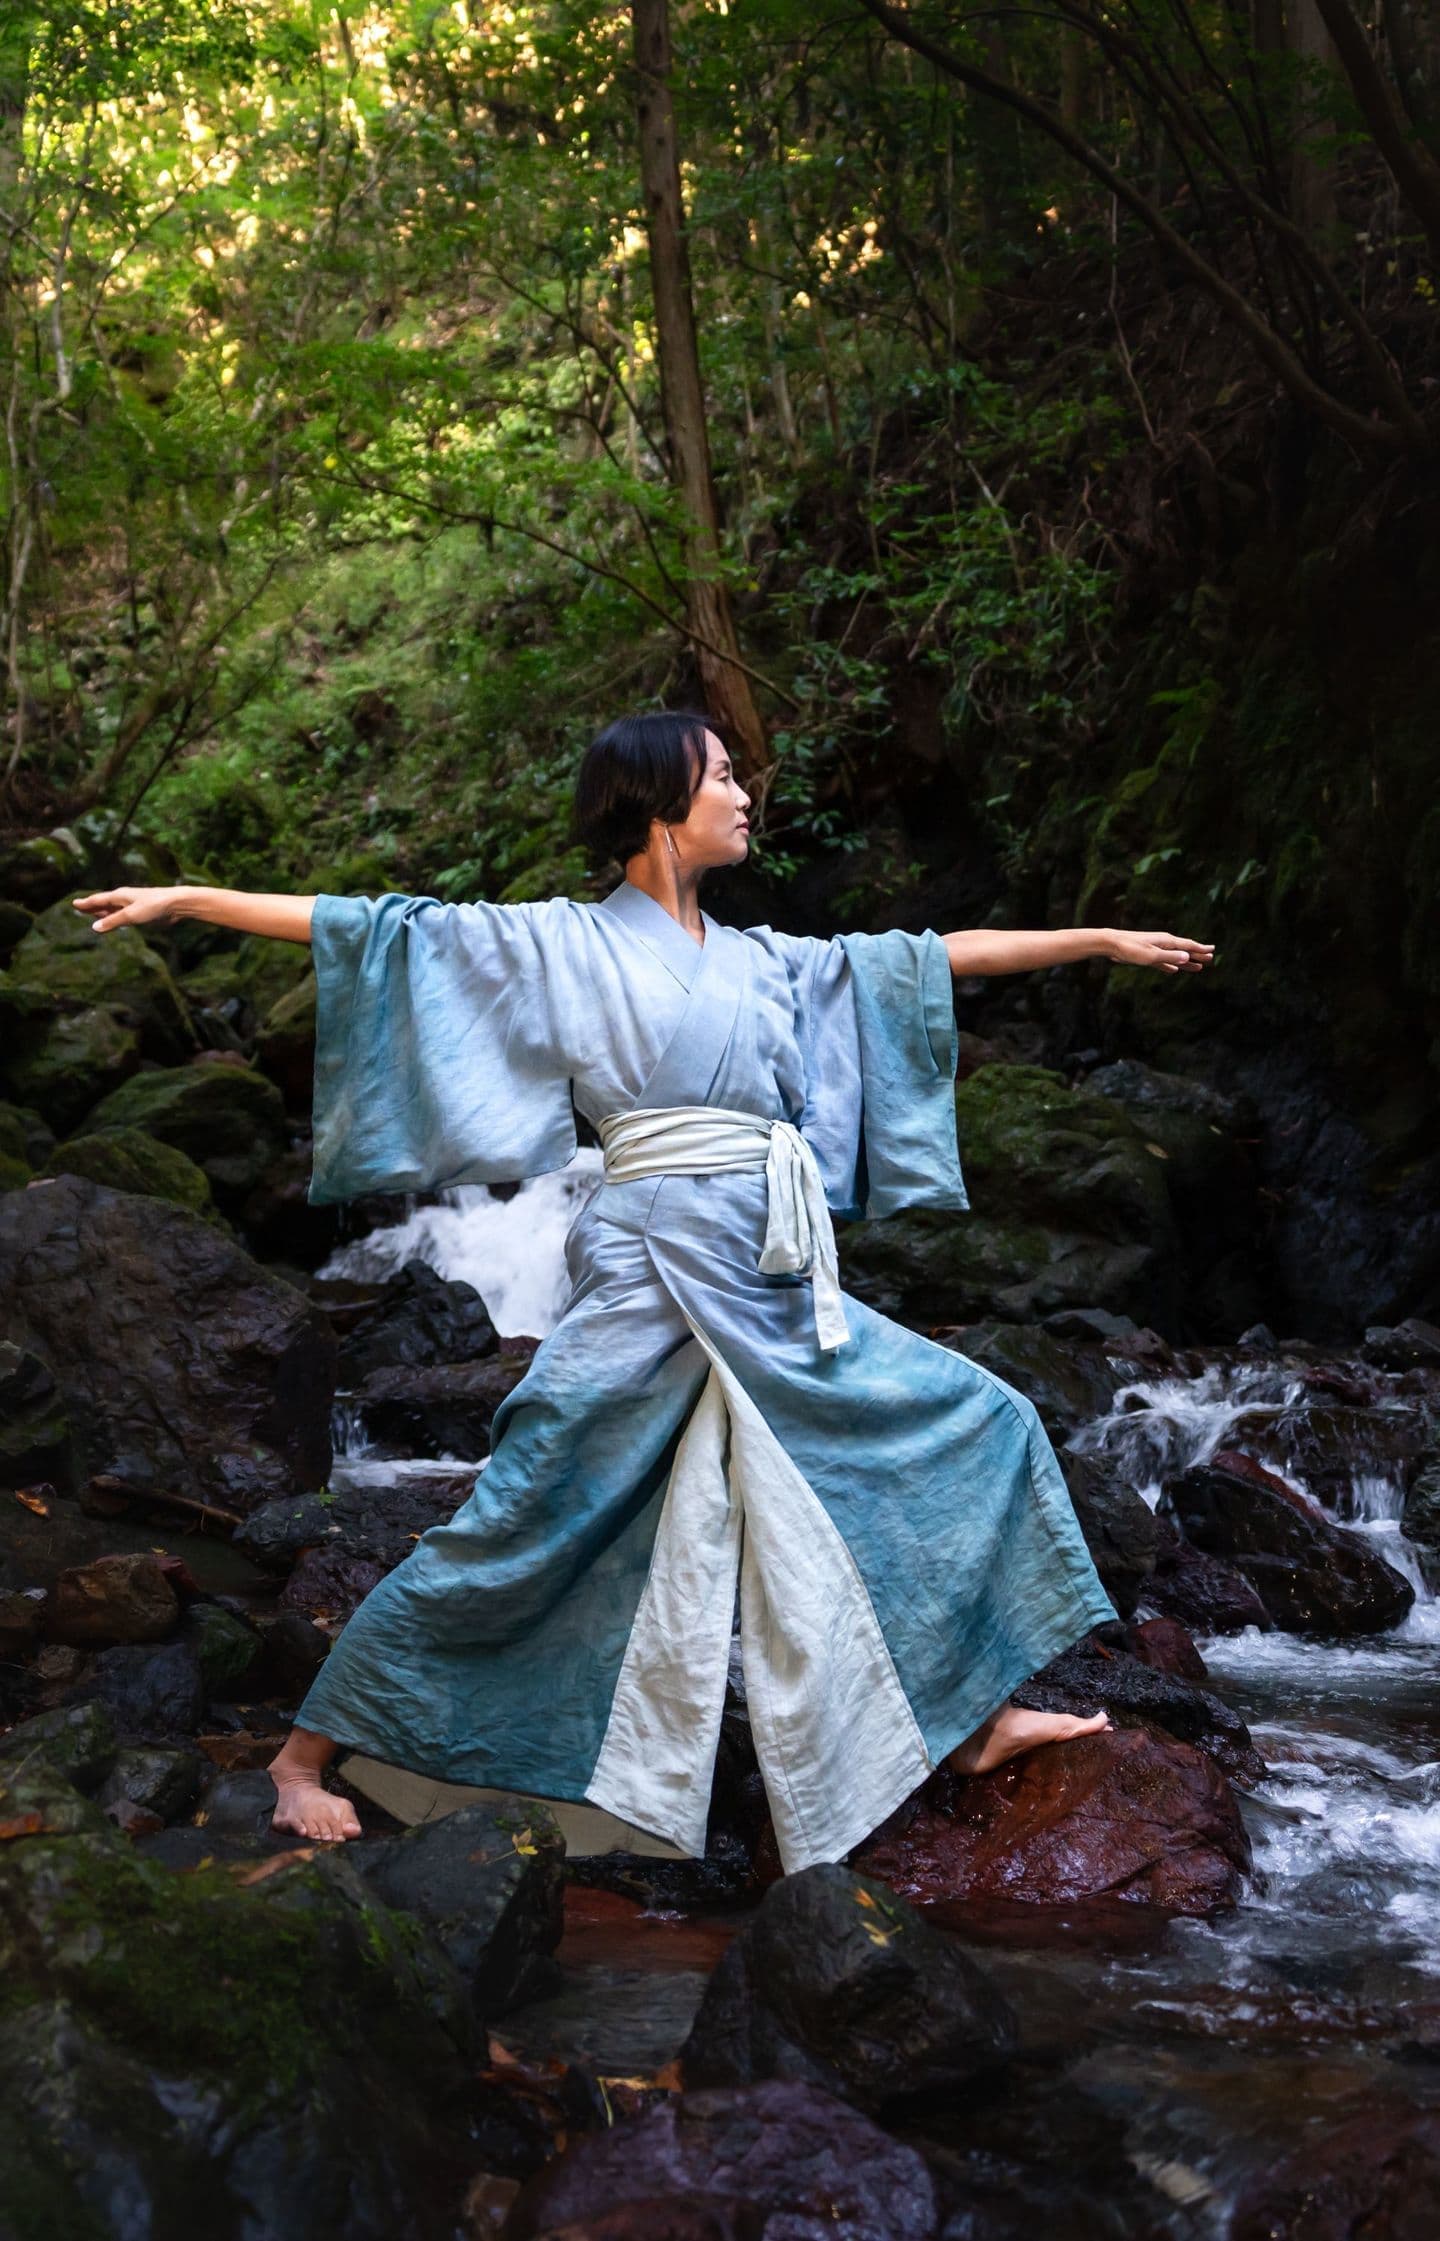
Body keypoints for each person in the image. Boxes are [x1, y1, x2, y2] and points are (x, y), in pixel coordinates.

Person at [75, 712, 1214, 1863]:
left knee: (980, 1420)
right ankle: (300, 1756)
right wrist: (193, 900)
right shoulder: (563, 942)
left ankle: (964, 1717)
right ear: (659, 804)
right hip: (650, 1262)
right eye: (722, 777)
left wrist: (1096, 939)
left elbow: (921, 959)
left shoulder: (765, 958)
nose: (744, 794)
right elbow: (380, 933)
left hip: (766, 1272)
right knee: (533, 1509)